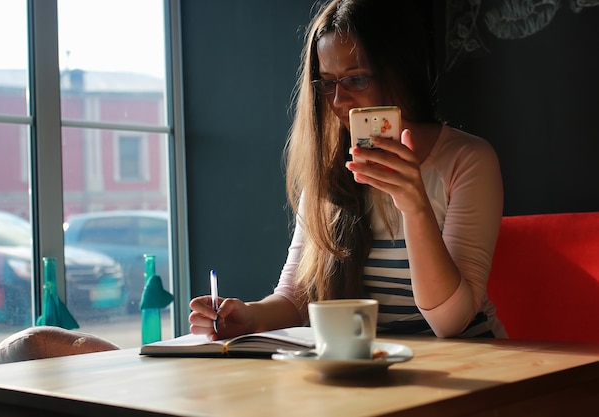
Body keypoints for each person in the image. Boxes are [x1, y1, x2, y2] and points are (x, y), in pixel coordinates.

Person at [189, 0, 507, 340]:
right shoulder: (331, 173)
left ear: (396, 72)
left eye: (355, 79)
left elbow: (450, 322)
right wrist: (250, 316)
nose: (339, 100)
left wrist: (414, 206)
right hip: (370, 367)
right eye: (327, 82)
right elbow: (297, 298)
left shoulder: (466, 159)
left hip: (468, 365)